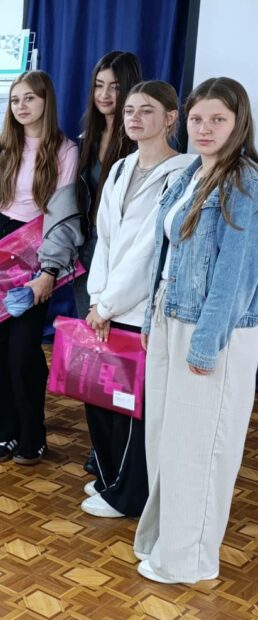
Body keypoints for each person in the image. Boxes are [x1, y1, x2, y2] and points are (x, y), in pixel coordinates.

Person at [135, 77, 258, 585]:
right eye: (197, 119)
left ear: (239, 123)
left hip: (212, 329)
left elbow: (235, 275)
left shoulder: (245, 181)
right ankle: (166, 542)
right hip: (171, 314)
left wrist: (206, 345)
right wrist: (151, 319)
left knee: (199, 449)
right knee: (166, 441)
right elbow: (163, 255)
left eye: (218, 119)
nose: (205, 128)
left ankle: (188, 561)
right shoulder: (191, 172)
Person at [82, 81, 193, 518]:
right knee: (99, 399)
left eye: (146, 110)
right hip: (106, 306)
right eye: (130, 110)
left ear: (170, 118)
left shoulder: (182, 173)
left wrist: (107, 305)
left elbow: (149, 250)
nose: (134, 118)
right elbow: (105, 239)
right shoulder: (120, 168)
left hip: (139, 310)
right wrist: (97, 298)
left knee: (131, 409)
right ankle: (109, 479)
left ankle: (129, 496)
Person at [0, 70, 81, 465]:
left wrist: (49, 271)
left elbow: (62, 216)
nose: (21, 106)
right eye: (15, 100)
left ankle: (31, 434)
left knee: (22, 351)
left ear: (46, 101)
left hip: (33, 249)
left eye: (29, 98)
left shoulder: (65, 150)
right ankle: (2, 433)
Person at [72, 51, 142, 477]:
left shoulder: (138, 141)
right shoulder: (86, 137)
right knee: (94, 355)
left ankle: (121, 451)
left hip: (123, 259)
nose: (105, 95)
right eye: (99, 86)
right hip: (87, 257)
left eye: (115, 87)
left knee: (121, 358)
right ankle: (99, 446)